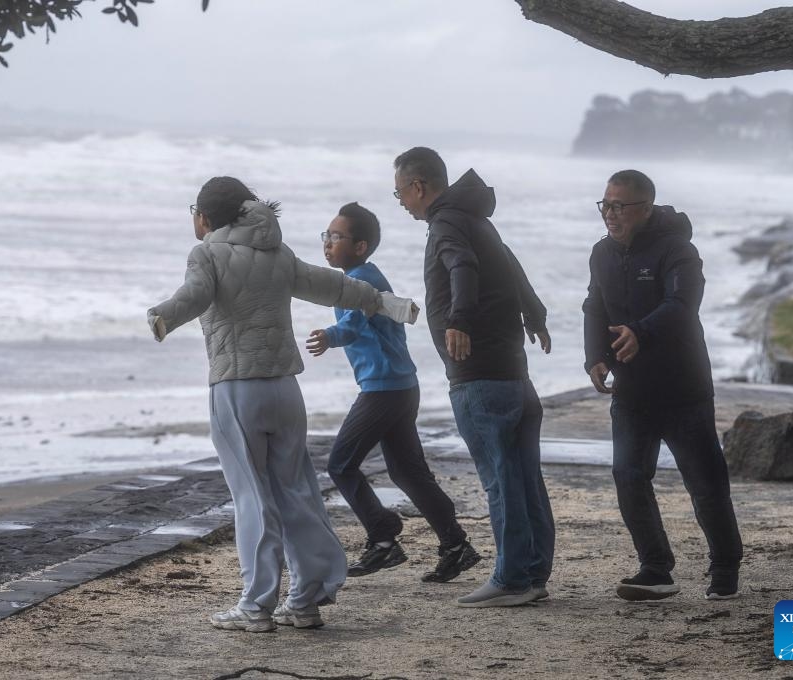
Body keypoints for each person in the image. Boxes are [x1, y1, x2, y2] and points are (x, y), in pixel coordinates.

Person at [147, 177, 418, 632]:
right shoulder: (278, 253)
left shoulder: (206, 253)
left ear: (206, 216)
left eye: (194, 209)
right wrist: (385, 303)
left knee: (252, 497)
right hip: (285, 391)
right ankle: (305, 599)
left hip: (238, 389)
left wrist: (162, 316)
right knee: (296, 492)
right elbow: (332, 286)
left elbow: (193, 296)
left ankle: (255, 607)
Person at [393, 147, 555, 608]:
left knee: (501, 479)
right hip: (513, 373)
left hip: (479, 374)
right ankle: (533, 573)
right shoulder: (478, 219)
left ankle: (510, 580)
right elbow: (511, 266)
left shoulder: (446, 222)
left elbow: (463, 267)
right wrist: (536, 315)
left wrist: (458, 319)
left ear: (418, 186)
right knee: (525, 478)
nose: (402, 201)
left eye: (401, 192)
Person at [582, 169, 743, 602]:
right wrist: (595, 356)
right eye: (605, 204)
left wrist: (640, 331)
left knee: (705, 483)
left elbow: (683, 304)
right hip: (632, 391)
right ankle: (655, 568)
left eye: (620, 206)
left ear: (646, 208)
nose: (610, 214)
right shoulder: (601, 253)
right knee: (628, 475)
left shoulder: (678, 250)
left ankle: (725, 566)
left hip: (682, 387)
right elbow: (594, 304)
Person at [306, 201, 481, 583]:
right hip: (400, 387)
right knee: (408, 472)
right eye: (327, 236)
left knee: (341, 464)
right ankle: (456, 545)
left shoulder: (361, 279)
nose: (328, 243)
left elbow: (352, 323)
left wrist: (329, 336)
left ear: (360, 245)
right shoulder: (358, 274)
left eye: (337, 237)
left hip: (385, 391)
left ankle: (384, 537)